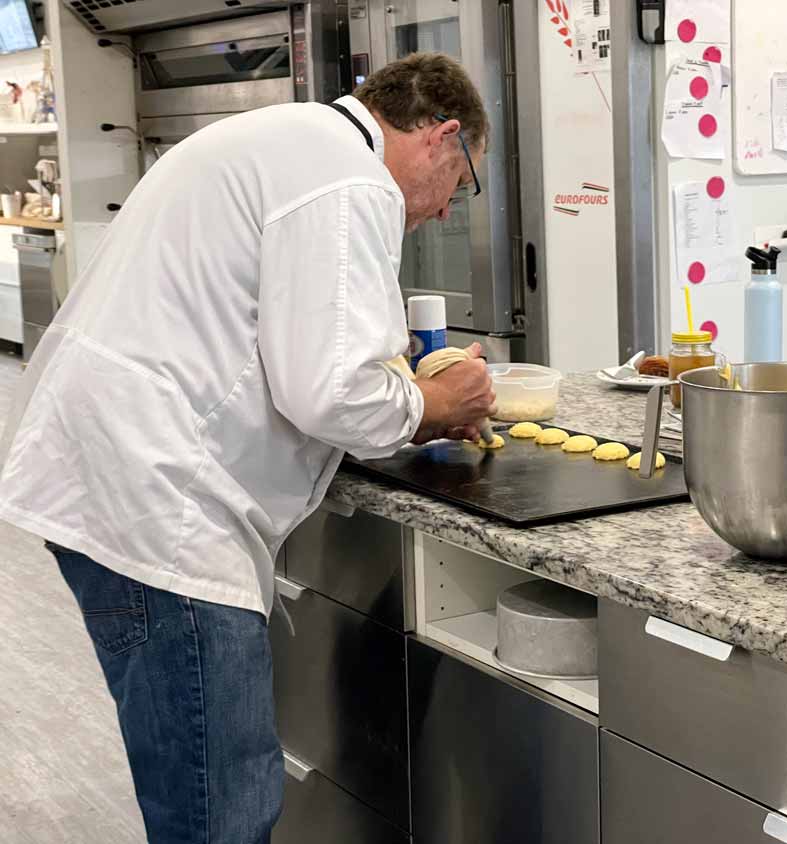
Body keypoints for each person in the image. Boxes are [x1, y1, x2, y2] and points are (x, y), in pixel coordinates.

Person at [0, 52, 492, 842]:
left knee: (194, 791)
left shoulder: (292, 138)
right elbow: (331, 392)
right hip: (165, 507)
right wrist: (437, 402)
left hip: (116, 477)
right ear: (441, 139)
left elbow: (273, 334)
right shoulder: (351, 180)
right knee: (218, 810)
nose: (443, 212)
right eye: (462, 187)